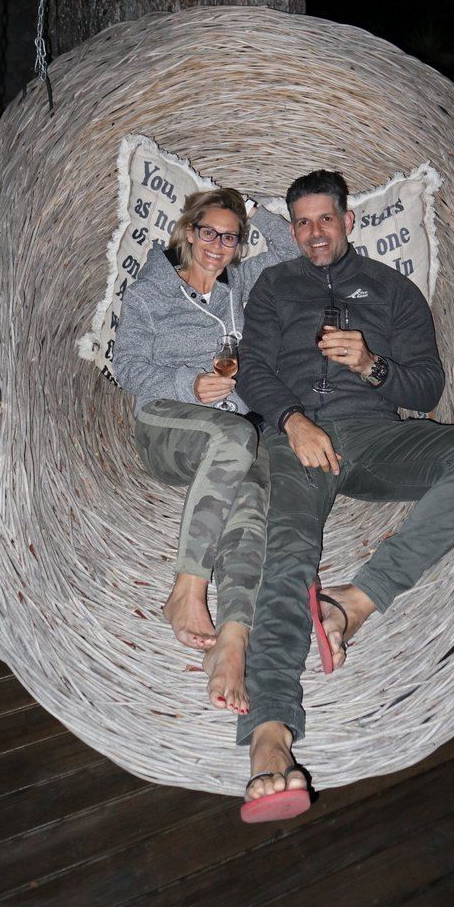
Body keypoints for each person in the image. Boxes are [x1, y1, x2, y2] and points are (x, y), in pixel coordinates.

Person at [234, 170, 454, 822]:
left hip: (375, 436)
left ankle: (359, 601)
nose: (313, 233)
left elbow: (425, 390)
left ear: (348, 220)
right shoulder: (273, 287)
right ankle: (271, 734)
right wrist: (293, 422)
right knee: (289, 553)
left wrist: (370, 366)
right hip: (297, 437)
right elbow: (252, 370)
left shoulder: (394, 292)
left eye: (324, 219)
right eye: (301, 222)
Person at [113, 188, 294, 717]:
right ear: (189, 232)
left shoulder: (243, 283)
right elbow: (126, 366)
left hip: (233, 429)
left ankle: (233, 638)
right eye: (209, 232)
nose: (218, 244)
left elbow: (288, 255)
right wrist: (185, 383)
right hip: (168, 424)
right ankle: (187, 589)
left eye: (230, 236)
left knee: (254, 486)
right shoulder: (153, 292)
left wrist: (258, 210)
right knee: (239, 439)